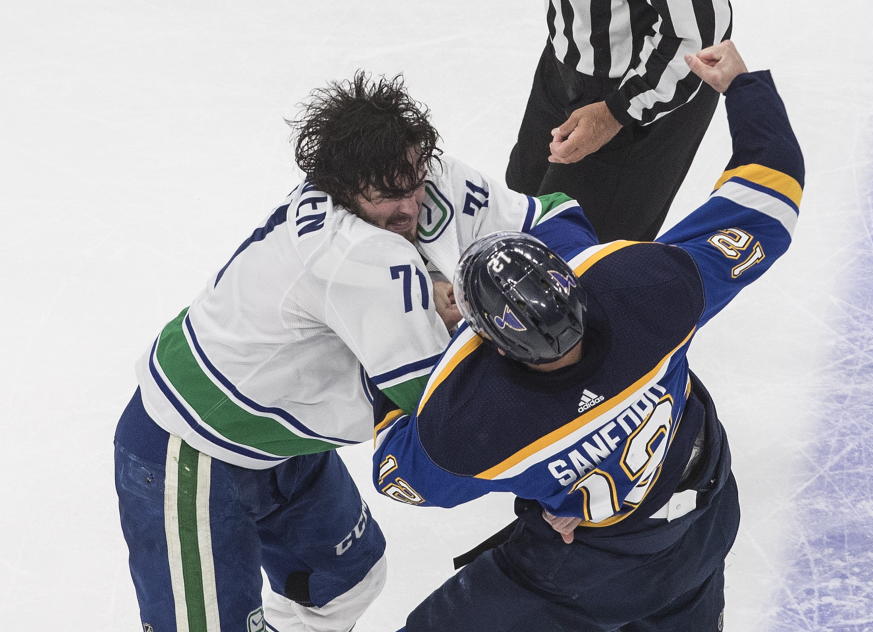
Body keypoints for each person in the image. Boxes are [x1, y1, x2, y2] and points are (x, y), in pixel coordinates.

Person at [113, 72, 587, 632]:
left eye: (412, 180)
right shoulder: (353, 255)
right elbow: (449, 415)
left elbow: (553, 219)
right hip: (189, 449)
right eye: (387, 194)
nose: (410, 204)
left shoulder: (419, 178)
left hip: (286, 438)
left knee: (344, 583)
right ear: (339, 187)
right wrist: (557, 483)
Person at [373, 41, 803, 631]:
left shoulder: (476, 424)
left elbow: (401, 480)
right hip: (704, 517)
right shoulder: (649, 291)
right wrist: (743, 88)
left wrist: (382, 364)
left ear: (496, 347)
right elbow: (772, 196)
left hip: (588, 574)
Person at [506, 0, 733, 244]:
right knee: (519, 209)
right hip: (566, 61)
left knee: (572, 249)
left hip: (644, 90)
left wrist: (616, 112)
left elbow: (702, 31)